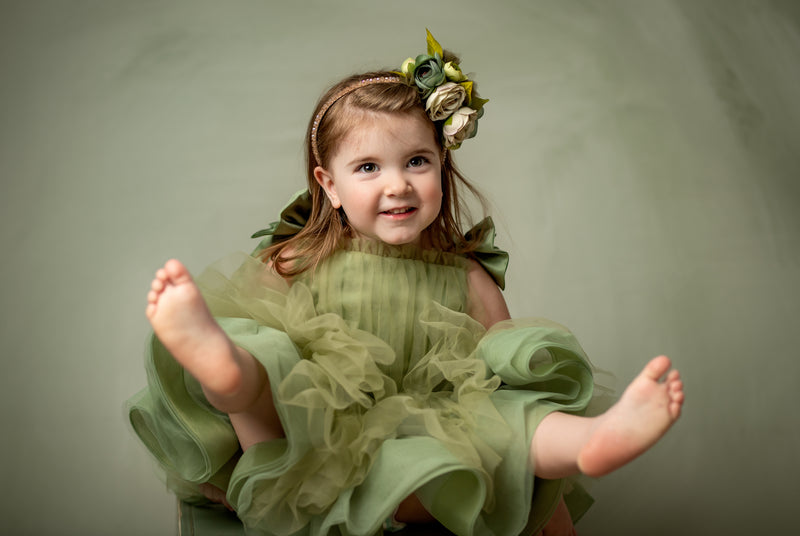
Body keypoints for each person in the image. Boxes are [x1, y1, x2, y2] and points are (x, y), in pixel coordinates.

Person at [128, 31, 683, 536]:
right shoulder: (300, 261)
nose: (398, 185)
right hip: (312, 453)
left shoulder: (465, 276)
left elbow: (507, 372)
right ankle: (226, 370)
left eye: (416, 161)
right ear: (331, 185)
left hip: (428, 460)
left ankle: (588, 444)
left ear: (442, 164)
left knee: (512, 418)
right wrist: (226, 467)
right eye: (368, 168)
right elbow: (261, 344)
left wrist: (527, 427)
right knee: (261, 353)